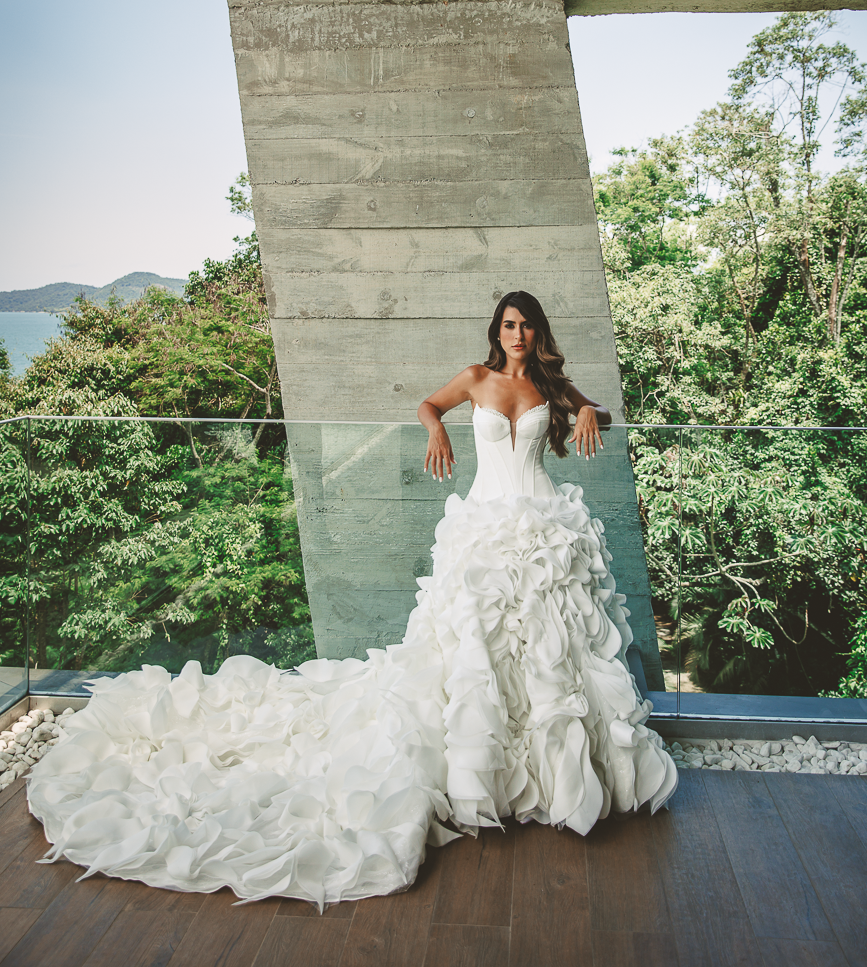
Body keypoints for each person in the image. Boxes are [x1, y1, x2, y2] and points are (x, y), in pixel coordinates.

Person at [27, 291, 677, 908]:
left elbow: (598, 415)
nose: (516, 334)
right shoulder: (476, 378)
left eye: (525, 325)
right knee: (477, 651)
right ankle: (486, 775)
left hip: (541, 528)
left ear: (537, 332)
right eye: (507, 324)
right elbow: (427, 405)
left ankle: (549, 778)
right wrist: (437, 433)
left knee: (549, 652)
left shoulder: (549, 385)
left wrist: (590, 409)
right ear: (496, 330)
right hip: (482, 527)